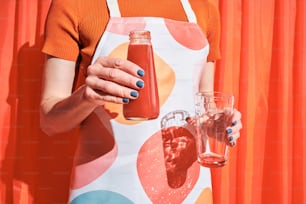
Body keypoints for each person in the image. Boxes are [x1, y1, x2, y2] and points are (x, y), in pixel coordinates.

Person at [40, 0, 242, 203]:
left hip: (187, 189)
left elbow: (205, 104)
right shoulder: (75, 5)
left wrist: (218, 123)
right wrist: (86, 96)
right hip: (105, 187)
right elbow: (49, 122)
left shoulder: (203, 8)